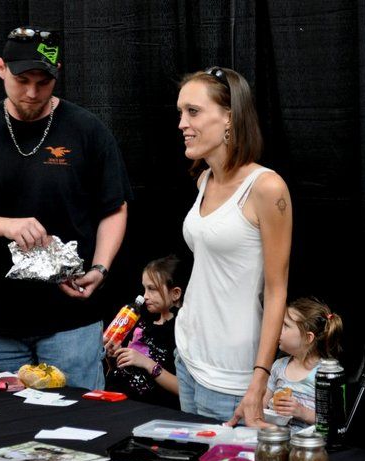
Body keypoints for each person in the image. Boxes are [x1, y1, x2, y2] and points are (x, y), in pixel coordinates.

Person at [0, 26, 132, 390]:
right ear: (0, 68)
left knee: (79, 419)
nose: (32, 93)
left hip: (72, 322)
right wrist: (5, 226)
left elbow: (114, 208)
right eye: (22, 80)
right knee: (5, 423)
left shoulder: (87, 130)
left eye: (43, 82)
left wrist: (101, 267)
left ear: (58, 74)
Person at [174, 66, 293, 426]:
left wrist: (259, 381)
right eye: (181, 112)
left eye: (193, 112)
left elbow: (276, 290)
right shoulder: (204, 180)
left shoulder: (266, 188)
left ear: (229, 116)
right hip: (189, 359)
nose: (182, 123)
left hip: (232, 376)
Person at [106, 255, 186, 408]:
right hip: (117, 401)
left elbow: (185, 390)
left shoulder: (181, 332)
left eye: (152, 289)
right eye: (145, 288)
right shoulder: (142, 322)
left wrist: (147, 363)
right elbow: (120, 371)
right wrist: (114, 358)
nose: (145, 296)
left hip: (150, 409)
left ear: (175, 293)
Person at [264, 297, 343, 430]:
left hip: (309, 441)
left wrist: (302, 412)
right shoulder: (278, 366)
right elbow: (263, 404)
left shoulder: (326, 374)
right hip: (277, 436)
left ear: (308, 337)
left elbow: (335, 420)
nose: (278, 329)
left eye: (286, 325)